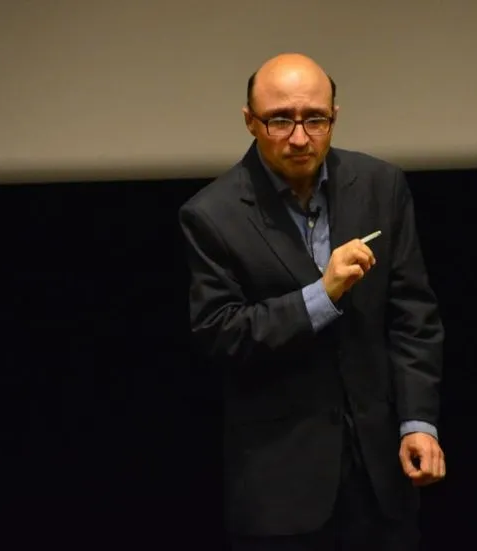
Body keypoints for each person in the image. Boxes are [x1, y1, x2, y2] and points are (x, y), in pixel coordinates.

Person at [178, 53, 446, 551]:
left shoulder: (380, 186)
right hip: (282, 486)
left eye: (315, 120)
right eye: (280, 120)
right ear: (249, 122)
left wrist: (418, 423)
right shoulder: (211, 215)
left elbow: (413, 318)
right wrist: (320, 296)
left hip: (381, 476)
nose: (300, 138)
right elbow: (221, 334)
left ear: (334, 117)